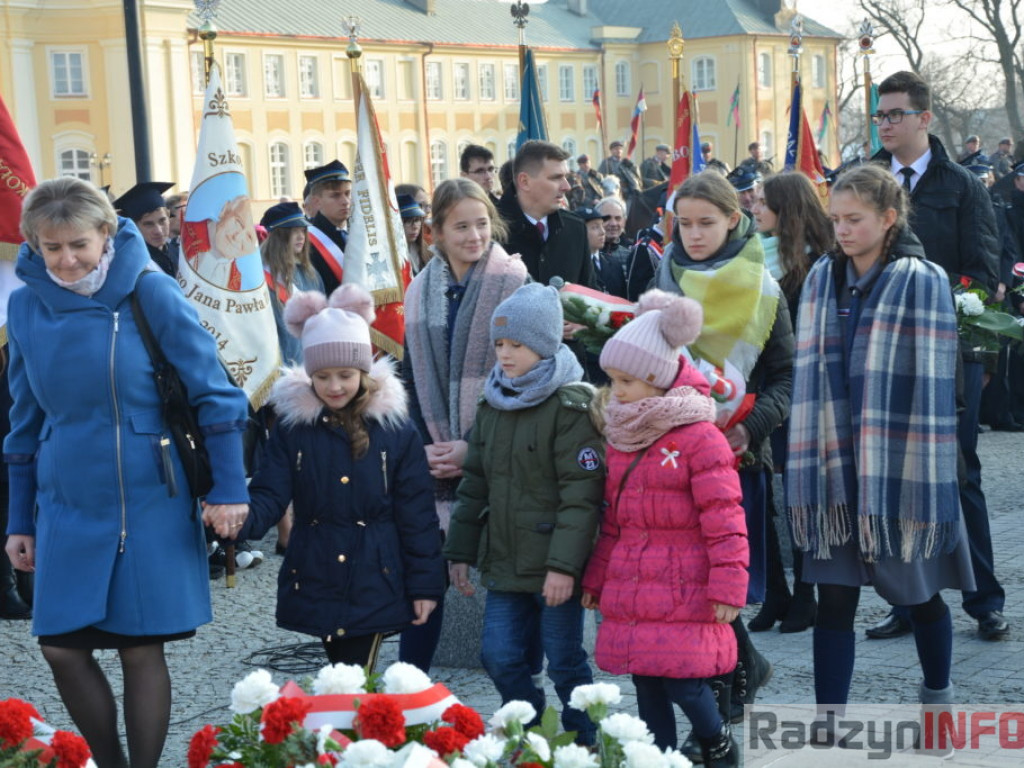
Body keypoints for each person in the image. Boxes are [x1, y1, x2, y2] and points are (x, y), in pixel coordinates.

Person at [6, 177, 249, 768]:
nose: (65, 261)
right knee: (61, 647)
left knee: (140, 648)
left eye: (78, 245)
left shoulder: (150, 292)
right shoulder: (24, 304)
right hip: (65, 500)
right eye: (50, 248)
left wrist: (229, 488)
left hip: (149, 494)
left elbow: (218, 397)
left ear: (106, 234)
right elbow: (22, 421)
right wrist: (19, 520)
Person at [786, 163, 975, 741]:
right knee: (833, 599)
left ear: (888, 219)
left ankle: (937, 703)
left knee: (918, 596)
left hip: (901, 468)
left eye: (854, 219)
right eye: (835, 219)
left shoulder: (922, 279)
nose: (841, 230)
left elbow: (938, 379)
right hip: (833, 470)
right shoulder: (821, 277)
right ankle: (829, 725)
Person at [234, 284, 444, 667]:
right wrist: (235, 520)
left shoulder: (395, 430)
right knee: (341, 678)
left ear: (363, 371)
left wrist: (425, 585)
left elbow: (417, 514)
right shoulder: (295, 428)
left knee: (352, 682)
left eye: (345, 374)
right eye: (323, 376)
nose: (334, 387)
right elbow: (270, 491)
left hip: (376, 574)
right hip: (318, 570)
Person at [868, 69, 1006, 642]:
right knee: (897, 476)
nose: (885, 123)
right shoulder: (867, 181)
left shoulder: (963, 185)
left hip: (951, 351)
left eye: (895, 113)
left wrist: (931, 298)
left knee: (960, 471)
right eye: (880, 114)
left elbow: (987, 273)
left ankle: (984, 600)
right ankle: (909, 601)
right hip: (884, 353)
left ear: (925, 118)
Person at [582, 290, 747, 764]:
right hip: (634, 579)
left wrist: (728, 587)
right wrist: (596, 578)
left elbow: (725, 520)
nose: (618, 392)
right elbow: (612, 520)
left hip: (685, 582)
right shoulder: (622, 435)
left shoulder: (700, 438)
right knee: (645, 678)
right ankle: (659, 755)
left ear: (657, 378)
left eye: (628, 380)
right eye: (613, 380)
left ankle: (716, 737)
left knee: (681, 678)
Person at [654, 170, 792, 733]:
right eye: (684, 223)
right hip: (667, 454)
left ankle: (727, 692)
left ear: (734, 219)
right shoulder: (663, 272)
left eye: (705, 223)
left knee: (721, 581)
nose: (693, 234)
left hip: (736, 454)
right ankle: (739, 673)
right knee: (686, 581)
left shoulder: (764, 285)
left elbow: (787, 376)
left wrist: (749, 427)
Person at [444, 283, 603, 745]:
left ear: (545, 344)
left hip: (555, 566)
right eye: (499, 344)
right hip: (507, 563)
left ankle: (587, 736)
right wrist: (459, 552)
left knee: (566, 659)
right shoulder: (493, 402)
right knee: (498, 655)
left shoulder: (572, 405)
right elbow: (474, 485)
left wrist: (563, 568)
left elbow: (582, 496)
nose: (506, 355)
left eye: (517, 345)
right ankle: (533, 729)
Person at [401, 177, 528, 672]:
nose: (474, 235)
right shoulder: (418, 291)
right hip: (434, 461)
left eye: (481, 224)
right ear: (435, 233)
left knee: (509, 590)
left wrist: (470, 447)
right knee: (424, 584)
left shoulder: (514, 283)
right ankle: (408, 693)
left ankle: (521, 702)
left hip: (501, 460)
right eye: (461, 227)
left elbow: (524, 381)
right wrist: (425, 447)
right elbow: (411, 375)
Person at [747, 172, 833, 635]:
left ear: (788, 208)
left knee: (796, 498)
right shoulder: (748, 256)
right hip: (757, 394)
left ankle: (806, 593)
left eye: (763, 202)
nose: (754, 208)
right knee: (763, 500)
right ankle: (775, 593)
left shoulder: (817, 263)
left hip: (799, 394)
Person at [497, 140, 593, 288]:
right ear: (524, 181)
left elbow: (588, 295)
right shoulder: (492, 231)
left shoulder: (575, 228)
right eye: (556, 178)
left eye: (566, 177)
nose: (566, 187)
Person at [259, 202, 324, 366]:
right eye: (293, 231)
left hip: (312, 365)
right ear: (277, 235)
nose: (301, 236)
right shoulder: (260, 277)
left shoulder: (311, 274)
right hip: (280, 367)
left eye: (302, 230)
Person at [305, 160, 352, 295]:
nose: (345, 201)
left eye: (347, 193)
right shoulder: (308, 242)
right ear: (316, 201)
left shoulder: (359, 233)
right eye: (335, 195)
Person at [113, 181, 176, 276]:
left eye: (162, 220)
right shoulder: (133, 263)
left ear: (168, 216)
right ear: (134, 225)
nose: (158, 231)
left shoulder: (178, 253)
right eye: (148, 224)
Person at [399, 193, 429, 275]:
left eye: (417, 220)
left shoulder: (428, 251)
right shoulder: (394, 256)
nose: (415, 227)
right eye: (408, 221)